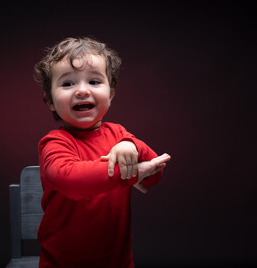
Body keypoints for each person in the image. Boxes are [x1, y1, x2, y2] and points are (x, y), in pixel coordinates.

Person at [34, 37, 171, 267]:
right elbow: (70, 180)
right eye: (67, 84)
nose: (81, 91)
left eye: (94, 81)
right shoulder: (54, 142)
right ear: (49, 101)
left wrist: (133, 147)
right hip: (61, 263)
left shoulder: (120, 137)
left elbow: (154, 176)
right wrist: (131, 173)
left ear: (111, 93)